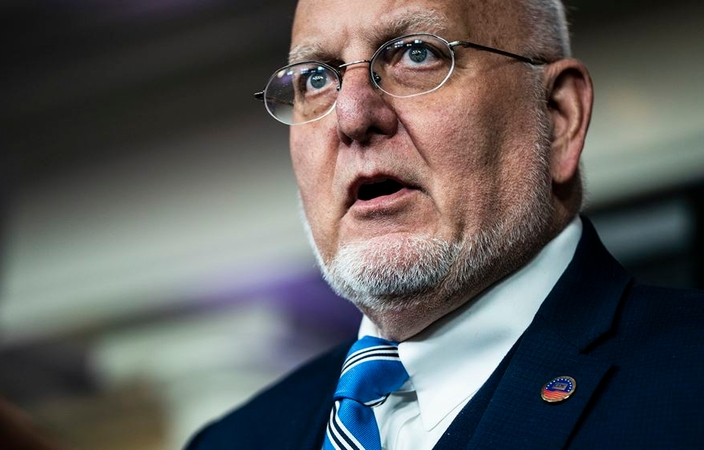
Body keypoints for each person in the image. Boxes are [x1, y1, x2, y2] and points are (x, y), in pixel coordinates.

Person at [185, 0, 704, 448]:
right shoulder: (232, 441)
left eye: (417, 53)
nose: (352, 116)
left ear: (558, 117)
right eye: (316, 78)